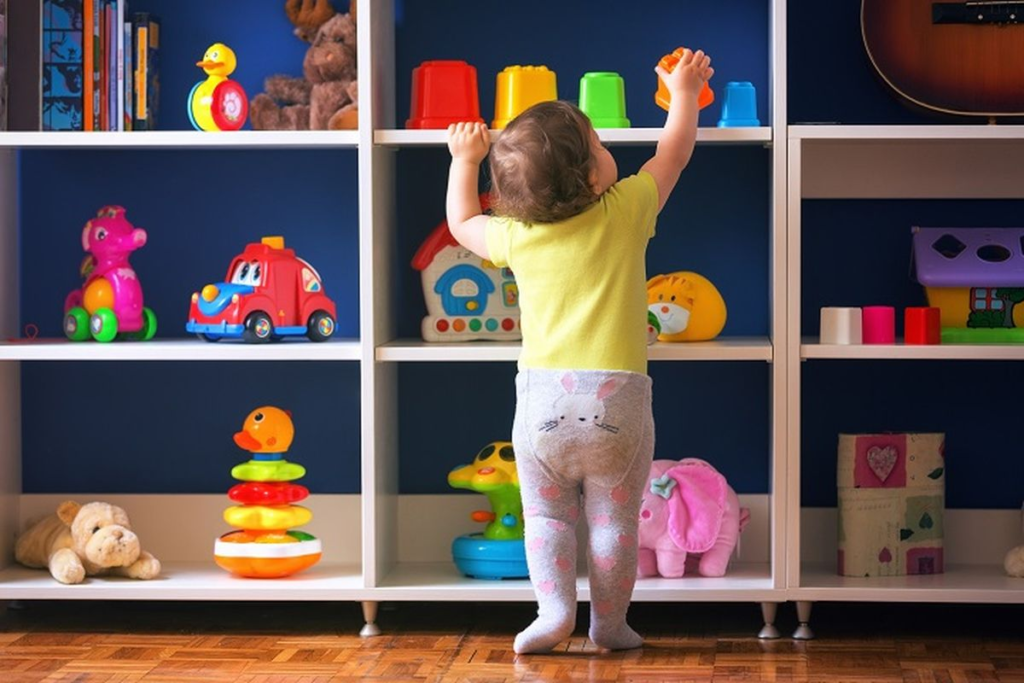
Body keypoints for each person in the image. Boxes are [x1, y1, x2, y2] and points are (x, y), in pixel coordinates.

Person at [444, 49, 714, 654]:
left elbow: (462, 223)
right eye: (598, 143)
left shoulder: (517, 236)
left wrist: (464, 160)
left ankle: (552, 613)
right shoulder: (625, 210)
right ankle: (610, 624)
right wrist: (684, 93)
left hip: (542, 407)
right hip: (617, 404)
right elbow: (672, 153)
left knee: (546, 520)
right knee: (613, 522)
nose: (605, 145)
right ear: (593, 178)